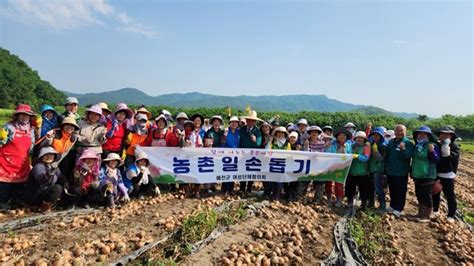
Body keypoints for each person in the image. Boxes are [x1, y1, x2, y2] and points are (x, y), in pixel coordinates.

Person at [0, 104, 37, 210]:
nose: (24, 117)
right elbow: (2, 142)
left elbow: (31, 147)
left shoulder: (31, 129)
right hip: (6, 161)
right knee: (5, 185)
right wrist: (1, 139)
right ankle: (3, 203)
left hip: (21, 160)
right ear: (17, 116)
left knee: (19, 184)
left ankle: (16, 202)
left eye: (27, 115)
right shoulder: (9, 127)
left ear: (30, 117)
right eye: (21, 115)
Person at [409, 126, 440, 223]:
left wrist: (432, 151)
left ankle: (426, 216)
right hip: (417, 173)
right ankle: (420, 213)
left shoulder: (432, 145)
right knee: (419, 194)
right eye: (419, 133)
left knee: (426, 195)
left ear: (428, 135)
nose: (421, 135)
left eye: (424, 134)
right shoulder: (417, 145)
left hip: (428, 174)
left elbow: (436, 160)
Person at [36, 116, 79, 182]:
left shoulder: (73, 138)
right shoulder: (54, 133)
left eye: (72, 126)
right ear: (63, 125)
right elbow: (44, 147)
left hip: (57, 159)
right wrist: (49, 138)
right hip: (45, 159)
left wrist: (56, 162)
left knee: (62, 174)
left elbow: (65, 152)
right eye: (67, 125)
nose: (69, 127)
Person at [385, 124, 415, 218]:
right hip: (390, 170)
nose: (399, 132)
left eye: (401, 131)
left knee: (400, 190)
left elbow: (409, 156)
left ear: (405, 132)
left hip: (401, 171)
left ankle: (399, 208)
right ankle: (393, 206)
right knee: (392, 189)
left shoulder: (408, 143)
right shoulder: (391, 142)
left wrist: (403, 149)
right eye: (397, 131)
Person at [24, 147, 65, 213]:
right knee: (57, 188)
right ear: (42, 156)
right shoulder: (38, 167)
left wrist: (67, 184)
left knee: (62, 186)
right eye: (46, 155)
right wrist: (49, 174)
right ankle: (44, 207)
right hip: (35, 195)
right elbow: (43, 181)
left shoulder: (53, 167)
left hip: (44, 192)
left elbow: (61, 178)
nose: (49, 157)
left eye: (51, 155)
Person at [432, 126, 460, 222]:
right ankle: (435, 210)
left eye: (447, 134)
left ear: (451, 136)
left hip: (448, 174)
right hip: (437, 173)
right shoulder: (437, 145)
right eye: (442, 133)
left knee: (449, 195)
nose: (444, 135)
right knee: (435, 193)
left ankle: (451, 215)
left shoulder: (454, 146)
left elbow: (453, 158)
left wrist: (447, 150)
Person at [326, 128, 352, 207]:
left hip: (342, 168)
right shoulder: (332, 144)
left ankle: (339, 200)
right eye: (340, 135)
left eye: (344, 135)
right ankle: (329, 198)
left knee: (339, 183)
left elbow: (350, 155)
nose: (342, 137)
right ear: (337, 136)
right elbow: (327, 153)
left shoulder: (348, 146)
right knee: (328, 182)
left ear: (346, 137)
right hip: (331, 166)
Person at [239, 110, 263, 194]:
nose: (250, 122)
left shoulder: (258, 132)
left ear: (255, 122)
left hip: (252, 156)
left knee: (250, 172)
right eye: (248, 120)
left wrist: (255, 141)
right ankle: (241, 189)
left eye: (252, 120)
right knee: (242, 172)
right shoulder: (242, 129)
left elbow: (259, 144)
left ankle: (249, 189)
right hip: (242, 155)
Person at [346, 131, 371, 208]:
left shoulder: (367, 147)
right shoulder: (351, 146)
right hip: (351, 171)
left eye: (361, 138)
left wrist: (357, 156)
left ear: (364, 139)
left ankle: (364, 203)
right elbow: (348, 154)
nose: (359, 139)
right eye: (358, 138)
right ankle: (350, 202)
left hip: (362, 172)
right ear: (355, 138)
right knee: (350, 187)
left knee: (363, 188)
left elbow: (366, 158)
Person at [303, 126, 326, 203]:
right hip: (308, 165)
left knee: (319, 183)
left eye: (316, 132)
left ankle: (317, 199)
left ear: (318, 133)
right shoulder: (306, 141)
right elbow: (304, 153)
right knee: (304, 181)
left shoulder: (322, 143)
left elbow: (323, 154)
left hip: (319, 166)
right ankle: (301, 197)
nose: (314, 134)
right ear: (309, 133)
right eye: (312, 132)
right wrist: (306, 146)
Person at [268, 126, 291, 201]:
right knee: (271, 180)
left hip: (282, 164)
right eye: (278, 133)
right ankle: (269, 195)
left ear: (285, 134)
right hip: (272, 164)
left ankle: (276, 197)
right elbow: (267, 150)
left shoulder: (287, 144)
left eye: (282, 133)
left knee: (279, 181)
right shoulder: (273, 141)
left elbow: (289, 154)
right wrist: (269, 141)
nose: (280, 134)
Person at [368, 127, 388, 212]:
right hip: (371, 169)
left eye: (377, 135)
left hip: (378, 170)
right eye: (374, 135)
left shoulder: (383, 146)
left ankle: (382, 206)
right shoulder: (371, 144)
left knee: (378, 188)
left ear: (381, 136)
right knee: (371, 188)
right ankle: (371, 204)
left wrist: (375, 151)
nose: (375, 137)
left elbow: (380, 159)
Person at [221, 116, 240, 195]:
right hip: (226, 154)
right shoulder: (225, 131)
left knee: (232, 172)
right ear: (229, 123)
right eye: (232, 122)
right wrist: (224, 136)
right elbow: (222, 142)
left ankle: (231, 189)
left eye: (236, 122)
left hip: (236, 155)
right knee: (226, 171)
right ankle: (225, 189)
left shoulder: (238, 132)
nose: (234, 124)